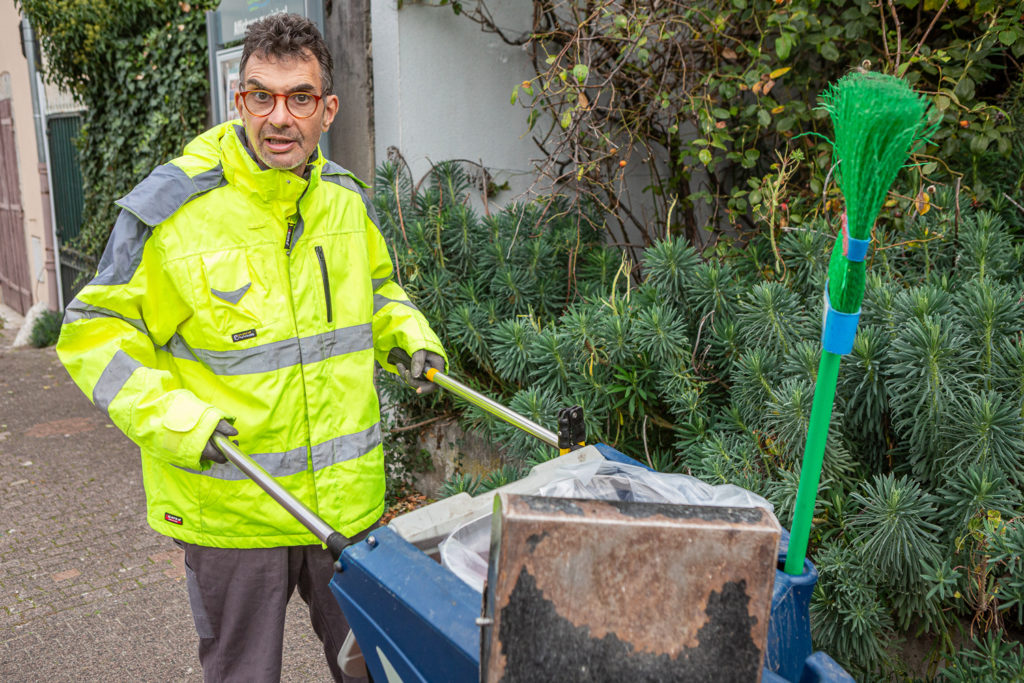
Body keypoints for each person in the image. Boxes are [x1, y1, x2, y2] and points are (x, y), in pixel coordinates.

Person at [56, 13, 445, 682]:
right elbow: (93, 331)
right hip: (231, 510)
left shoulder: (347, 204)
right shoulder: (173, 210)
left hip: (342, 505)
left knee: (379, 668)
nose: (278, 118)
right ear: (239, 101)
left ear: (328, 109)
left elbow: (379, 292)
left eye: (299, 98)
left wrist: (409, 335)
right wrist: (178, 421)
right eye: (260, 96)